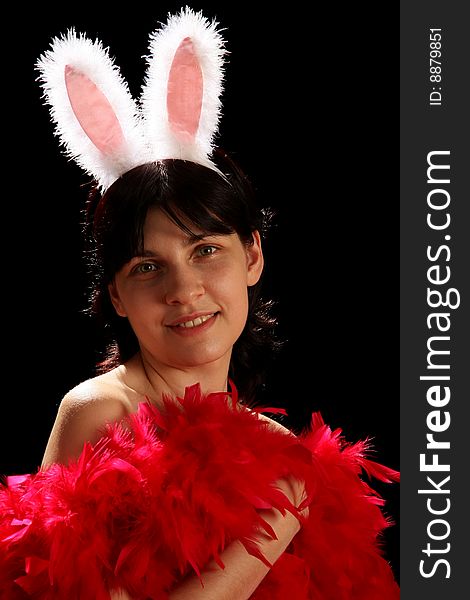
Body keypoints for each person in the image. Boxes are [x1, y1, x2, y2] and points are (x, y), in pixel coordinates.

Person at [0, 9, 399, 599]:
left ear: (253, 256)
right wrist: (279, 513)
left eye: (206, 250)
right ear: (116, 295)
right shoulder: (102, 414)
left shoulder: (277, 449)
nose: (183, 289)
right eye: (147, 267)